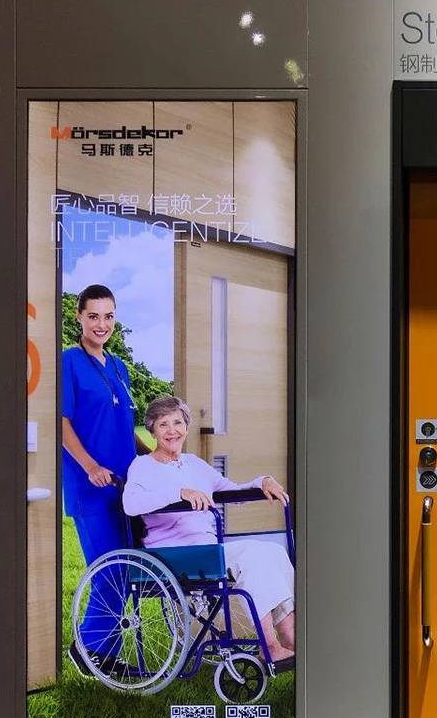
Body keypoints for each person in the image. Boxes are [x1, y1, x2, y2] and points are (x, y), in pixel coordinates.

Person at [122, 395, 296, 664]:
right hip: (174, 555)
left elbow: (233, 492)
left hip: (207, 550)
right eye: (163, 424)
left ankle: (291, 637)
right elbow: (131, 504)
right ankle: (269, 647)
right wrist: (179, 492)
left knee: (273, 551)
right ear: (152, 431)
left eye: (177, 423)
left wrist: (263, 481)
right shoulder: (143, 466)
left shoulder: (194, 463)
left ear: (186, 427)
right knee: (253, 556)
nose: (172, 430)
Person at [62, 284, 148, 676]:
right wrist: (91, 466)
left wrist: (155, 456)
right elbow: (61, 422)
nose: (102, 324)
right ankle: (90, 650)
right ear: (79, 317)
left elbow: (124, 425)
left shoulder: (119, 367)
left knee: (126, 570)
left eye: (108, 316)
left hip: (127, 488)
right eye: (93, 316)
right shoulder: (69, 362)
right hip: (92, 487)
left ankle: (101, 653)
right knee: (109, 569)